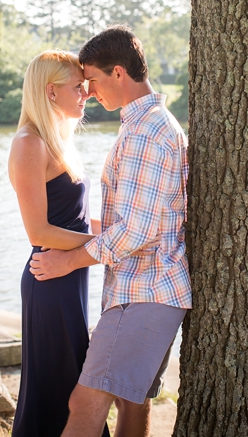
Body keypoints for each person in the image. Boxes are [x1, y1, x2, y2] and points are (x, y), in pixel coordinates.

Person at [29, 26, 191, 437]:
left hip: (143, 293)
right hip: (149, 289)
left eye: (93, 81)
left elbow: (136, 231)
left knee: (84, 401)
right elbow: (135, 221)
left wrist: (68, 260)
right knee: (131, 403)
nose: (90, 92)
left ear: (118, 73)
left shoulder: (147, 132)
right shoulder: (144, 126)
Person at [7, 50, 110, 437]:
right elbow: (39, 232)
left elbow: (75, 219)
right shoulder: (29, 143)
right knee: (55, 393)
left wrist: (119, 233)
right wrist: (105, 246)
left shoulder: (57, 141)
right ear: (51, 92)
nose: (87, 94)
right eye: (78, 88)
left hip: (68, 280)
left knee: (68, 387)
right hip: (49, 281)